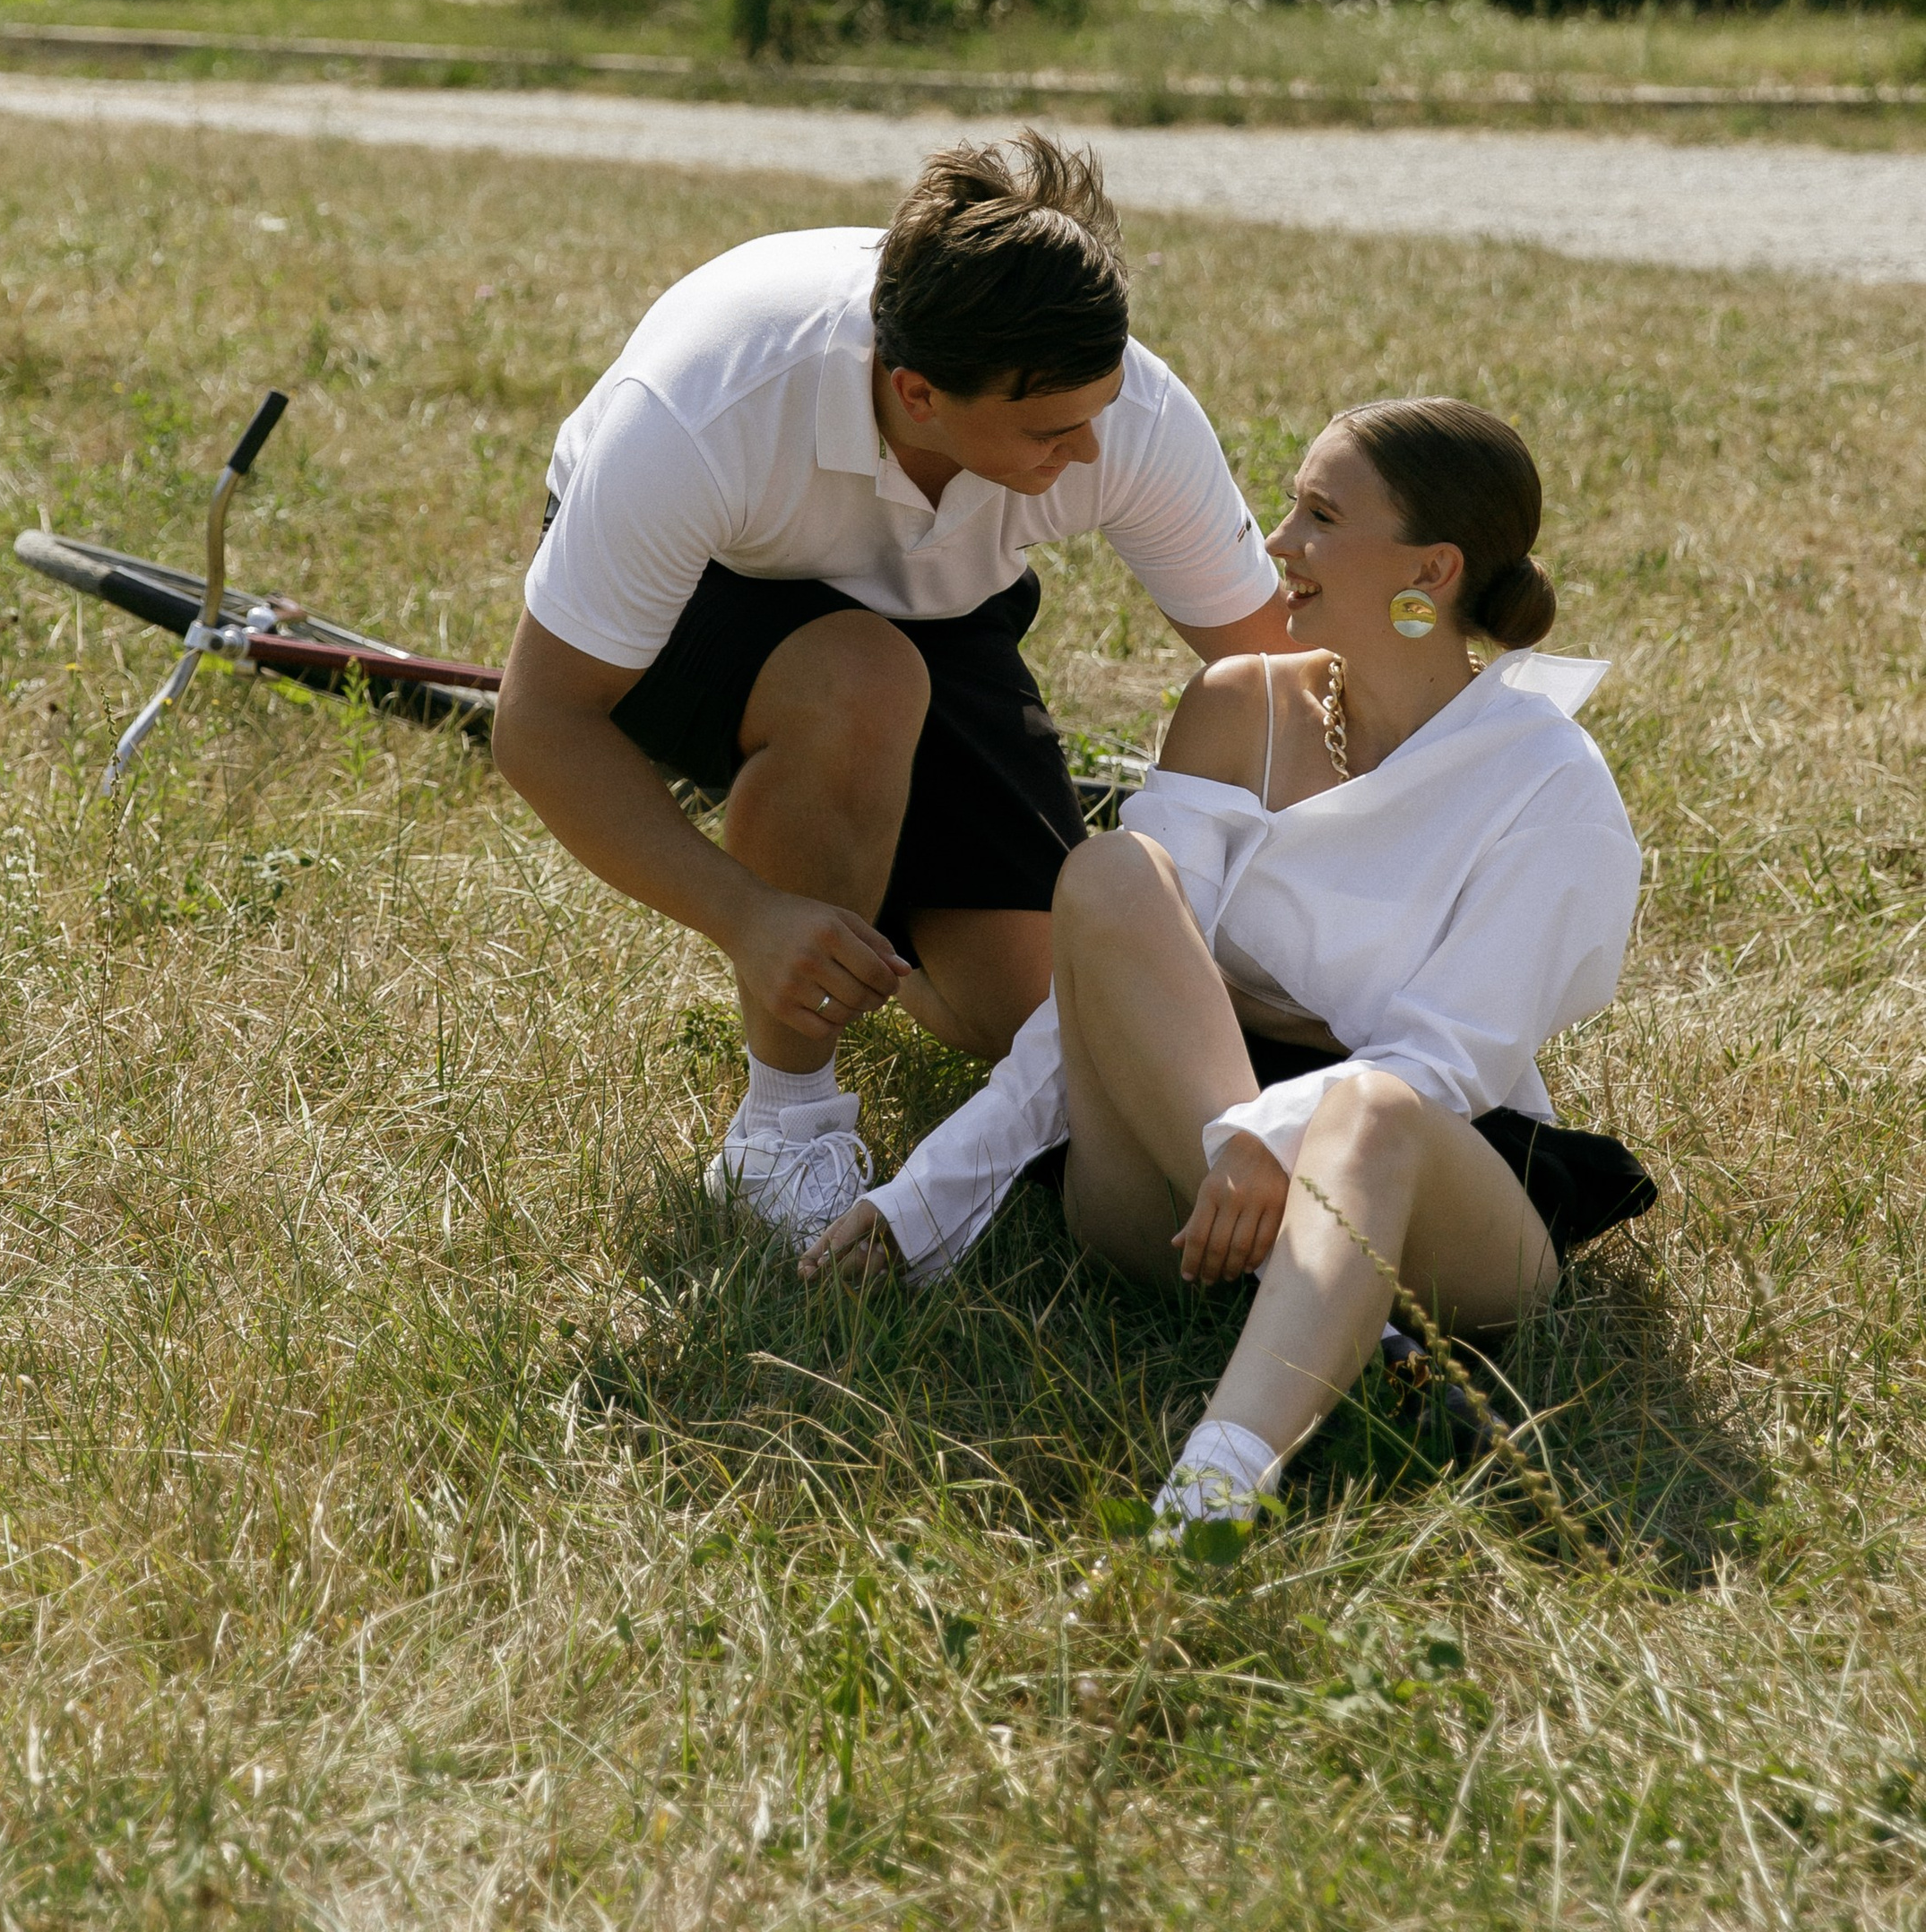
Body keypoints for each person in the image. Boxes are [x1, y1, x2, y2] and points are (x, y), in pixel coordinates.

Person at [806, 397, 1656, 1541]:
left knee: (1371, 1106)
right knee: (1109, 872)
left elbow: (1447, 1058)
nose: (1277, 543)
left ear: (1432, 568)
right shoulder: (1235, 707)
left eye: (1319, 514)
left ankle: (1210, 1494)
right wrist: (923, 1197)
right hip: (1173, 1183)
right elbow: (1099, 993)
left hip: (1428, 1196)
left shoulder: (1551, 781)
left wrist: (1273, 1127)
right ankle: (1349, 1342)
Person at [491, 132, 1289, 1248]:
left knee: (1030, 1015)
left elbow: (1272, 668)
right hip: (712, 595)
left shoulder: (1115, 415)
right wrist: (752, 915)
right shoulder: (703, 409)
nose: (1093, 446)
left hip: (933, 602)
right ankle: (782, 1129)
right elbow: (538, 725)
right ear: (916, 391)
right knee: (860, 681)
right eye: (1052, 431)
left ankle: (858, 902)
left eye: (1101, 408)